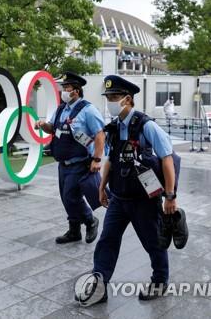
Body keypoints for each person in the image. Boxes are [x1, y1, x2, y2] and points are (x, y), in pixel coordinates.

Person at [91, 75, 177, 303]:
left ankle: (160, 281)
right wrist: (102, 187)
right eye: (108, 97)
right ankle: (99, 285)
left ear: (128, 99)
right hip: (118, 198)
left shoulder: (146, 126)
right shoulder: (114, 127)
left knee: (153, 242)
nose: (110, 101)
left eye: (114, 97)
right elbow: (109, 158)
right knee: (107, 240)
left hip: (144, 200)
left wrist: (170, 196)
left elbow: (167, 159)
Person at [35, 72, 105, 244]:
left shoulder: (88, 110)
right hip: (62, 163)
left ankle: (90, 220)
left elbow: (100, 135)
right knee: (66, 198)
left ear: (77, 91)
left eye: (67, 88)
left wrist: (97, 159)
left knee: (71, 197)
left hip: (79, 162)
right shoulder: (61, 109)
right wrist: (44, 125)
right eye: (63, 88)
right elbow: (53, 129)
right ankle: (74, 231)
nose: (64, 91)